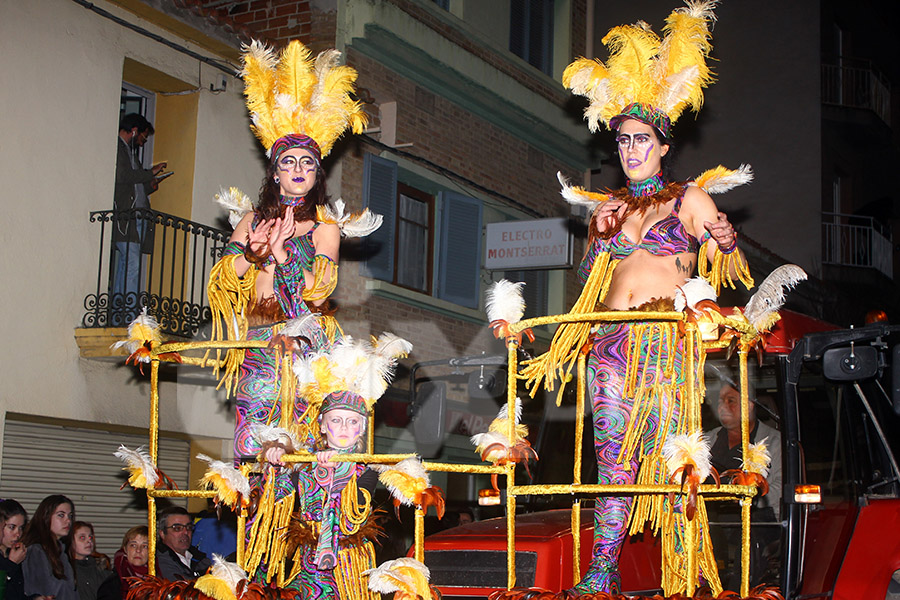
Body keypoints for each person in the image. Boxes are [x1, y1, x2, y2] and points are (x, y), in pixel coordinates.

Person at [523, 2, 754, 595]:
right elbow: (589, 288)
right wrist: (599, 243)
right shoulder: (613, 209)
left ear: (662, 144)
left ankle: (688, 575)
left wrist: (724, 237)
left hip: (663, 344)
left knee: (672, 461)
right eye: (622, 139)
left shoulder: (689, 201)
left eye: (641, 139)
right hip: (610, 343)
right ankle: (601, 572)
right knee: (613, 463)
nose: (630, 149)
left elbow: (726, 254)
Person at [205, 39, 370, 584]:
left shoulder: (324, 225)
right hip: (259, 353)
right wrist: (255, 256)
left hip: (306, 356)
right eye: (288, 162)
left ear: (316, 171)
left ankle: (316, 570)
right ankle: (259, 569)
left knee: (313, 459)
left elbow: (321, 293)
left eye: (306, 162)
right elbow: (227, 288)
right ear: (274, 171)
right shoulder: (251, 219)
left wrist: (285, 260)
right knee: (259, 457)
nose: (297, 169)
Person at [707, 378, 783, 590]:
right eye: (720, 401)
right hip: (714, 516)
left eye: (730, 401)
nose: (722, 406)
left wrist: (745, 496)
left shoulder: (774, 441)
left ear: (749, 405)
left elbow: (779, 488)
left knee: (750, 536)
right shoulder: (708, 439)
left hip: (761, 518)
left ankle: (738, 593)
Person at [113, 113, 167, 314]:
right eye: (143, 137)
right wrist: (149, 172)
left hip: (135, 215)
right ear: (134, 130)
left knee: (128, 263)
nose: (143, 142)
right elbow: (123, 176)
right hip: (127, 216)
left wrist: (150, 183)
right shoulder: (118, 148)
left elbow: (134, 183)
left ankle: (121, 311)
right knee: (132, 263)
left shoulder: (129, 151)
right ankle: (127, 313)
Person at [22, 495, 77, 600]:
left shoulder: (61, 550)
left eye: (70, 516)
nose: (68, 521)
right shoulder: (36, 551)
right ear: (46, 516)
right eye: (61, 515)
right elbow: (41, 592)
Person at [154, 507, 211, 581]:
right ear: (162, 534)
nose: (185, 532)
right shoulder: (158, 560)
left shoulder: (199, 557)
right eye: (177, 528)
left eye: (189, 527)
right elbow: (180, 587)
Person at [67, 522, 118, 600]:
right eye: (82, 537)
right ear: (70, 541)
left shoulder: (101, 568)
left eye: (90, 537)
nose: (89, 541)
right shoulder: (65, 569)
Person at [0, 499, 28, 600]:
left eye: (21, 528)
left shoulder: (13, 553)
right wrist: (12, 564)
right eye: (12, 527)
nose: (18, 534)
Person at [113, 526, 148, 590]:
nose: (138, 550)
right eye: (133, 545)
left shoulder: (159, 576)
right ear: (125, 549)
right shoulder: (112, 583)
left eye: (145, 546)